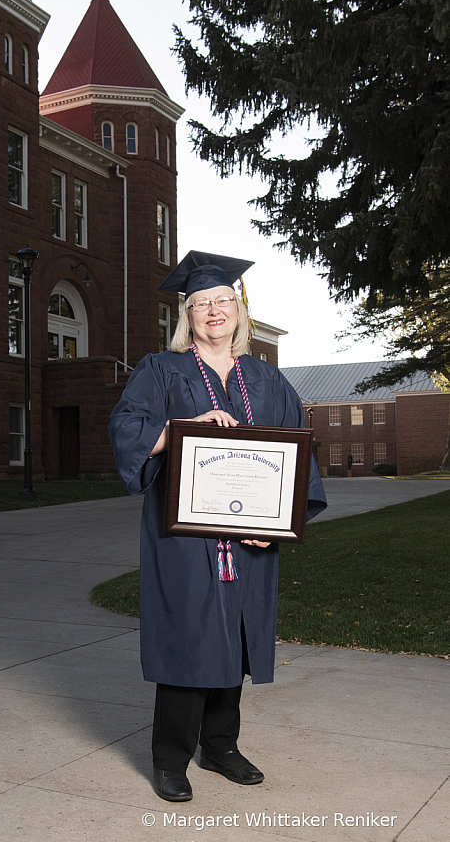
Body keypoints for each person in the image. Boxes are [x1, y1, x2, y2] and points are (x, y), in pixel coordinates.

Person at [109, 250, 327, 802]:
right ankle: (170, 758)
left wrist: (278, 525)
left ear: (239, 310)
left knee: (236, 636)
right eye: (201, 302)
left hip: (250, 537)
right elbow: (128, 428)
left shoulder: (266, 379)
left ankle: (221, 745)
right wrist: (182, 428)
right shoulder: (160, 369)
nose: (213, 310)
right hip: (184, 539)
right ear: (187, 315)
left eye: (223, 301)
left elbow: (297, 459)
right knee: (189, 635)